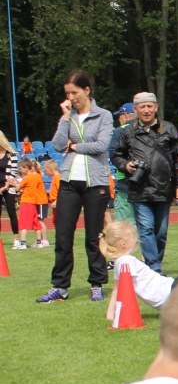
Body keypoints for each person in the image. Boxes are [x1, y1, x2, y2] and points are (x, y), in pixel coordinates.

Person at [37, 70, 114, 304]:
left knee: (93, 236)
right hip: (69, 182)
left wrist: (74, 146)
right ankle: (59, 286)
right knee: (62, 236)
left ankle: (97, 283)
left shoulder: (104, 115)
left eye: (75, 92)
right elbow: (58, 144)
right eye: (67, 94)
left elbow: (101, 146)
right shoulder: (68, 117)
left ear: (87, 90)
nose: (71, 97)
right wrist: (65, 118)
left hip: (96, 183)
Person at [111, 92, 178, 275]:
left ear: (156, 107)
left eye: (149, 106)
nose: (146, 110)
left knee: (160, 232)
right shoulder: (127, 132)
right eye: (142, 106)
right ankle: (154, 268)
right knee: (145, 229)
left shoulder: (169, 129)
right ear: (135, 109)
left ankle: (155, 262)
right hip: (139, 189)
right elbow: (116, 155)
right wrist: (125, 165)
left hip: (164, 188)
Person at [100, 221, 178, 319]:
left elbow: (116, 290)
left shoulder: (119, 262)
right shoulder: (127, 261)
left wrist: (110, 315)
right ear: (123, 243)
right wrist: (131, 314)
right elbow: (127, 290)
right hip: (169, 293)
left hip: (167, 297)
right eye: (133, 237)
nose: (136, 239)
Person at [108, 103, 137, 226]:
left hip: (125, 184)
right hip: (148, 186)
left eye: (119, 116)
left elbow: (113, 154)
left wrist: (126, 165)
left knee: (124, 227)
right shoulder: (151, 129)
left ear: (125, 115)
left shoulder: (119, 131)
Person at [13, 159, 48, 249]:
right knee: (36, 222)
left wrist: (13, 183)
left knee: (23, 223)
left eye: (21, 168)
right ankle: (39, 242)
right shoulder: (35, 177)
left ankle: (23, 243)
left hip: (26, 202)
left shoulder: (27, 178)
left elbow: (18, 188)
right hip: (33, 202)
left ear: (26, 168)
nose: (20, 170)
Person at [0, 131, 20, 240]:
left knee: (11, 212)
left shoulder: (11, 154)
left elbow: (14, 172)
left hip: (8, 187)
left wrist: (5, 187)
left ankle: (16, 239)